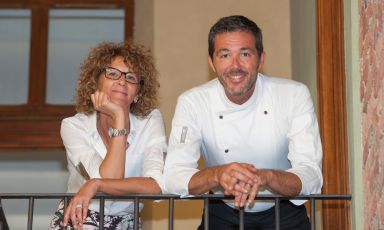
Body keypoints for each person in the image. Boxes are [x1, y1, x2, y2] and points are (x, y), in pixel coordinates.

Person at [163, 15, 323, 229]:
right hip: (222, 213)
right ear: (211, 62)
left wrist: (267, 177)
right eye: (225, 55)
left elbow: (311, 176)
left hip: (285, 212)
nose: (235, 65)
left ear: (261, 59)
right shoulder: (192, 102)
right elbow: (174, 177)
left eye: (245, 54)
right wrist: (218, 175)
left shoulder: (293, 95)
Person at [49, 41, 167, 230]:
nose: (122, 81)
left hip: (126, 222)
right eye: (112, 73)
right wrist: (119, 117)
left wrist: (96, 184)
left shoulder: (151, 121)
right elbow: (111, 178)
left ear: (138, 93)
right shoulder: (73, 126)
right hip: (80, 219)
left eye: (131, 77)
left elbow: (156, 187)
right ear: (96, 82)